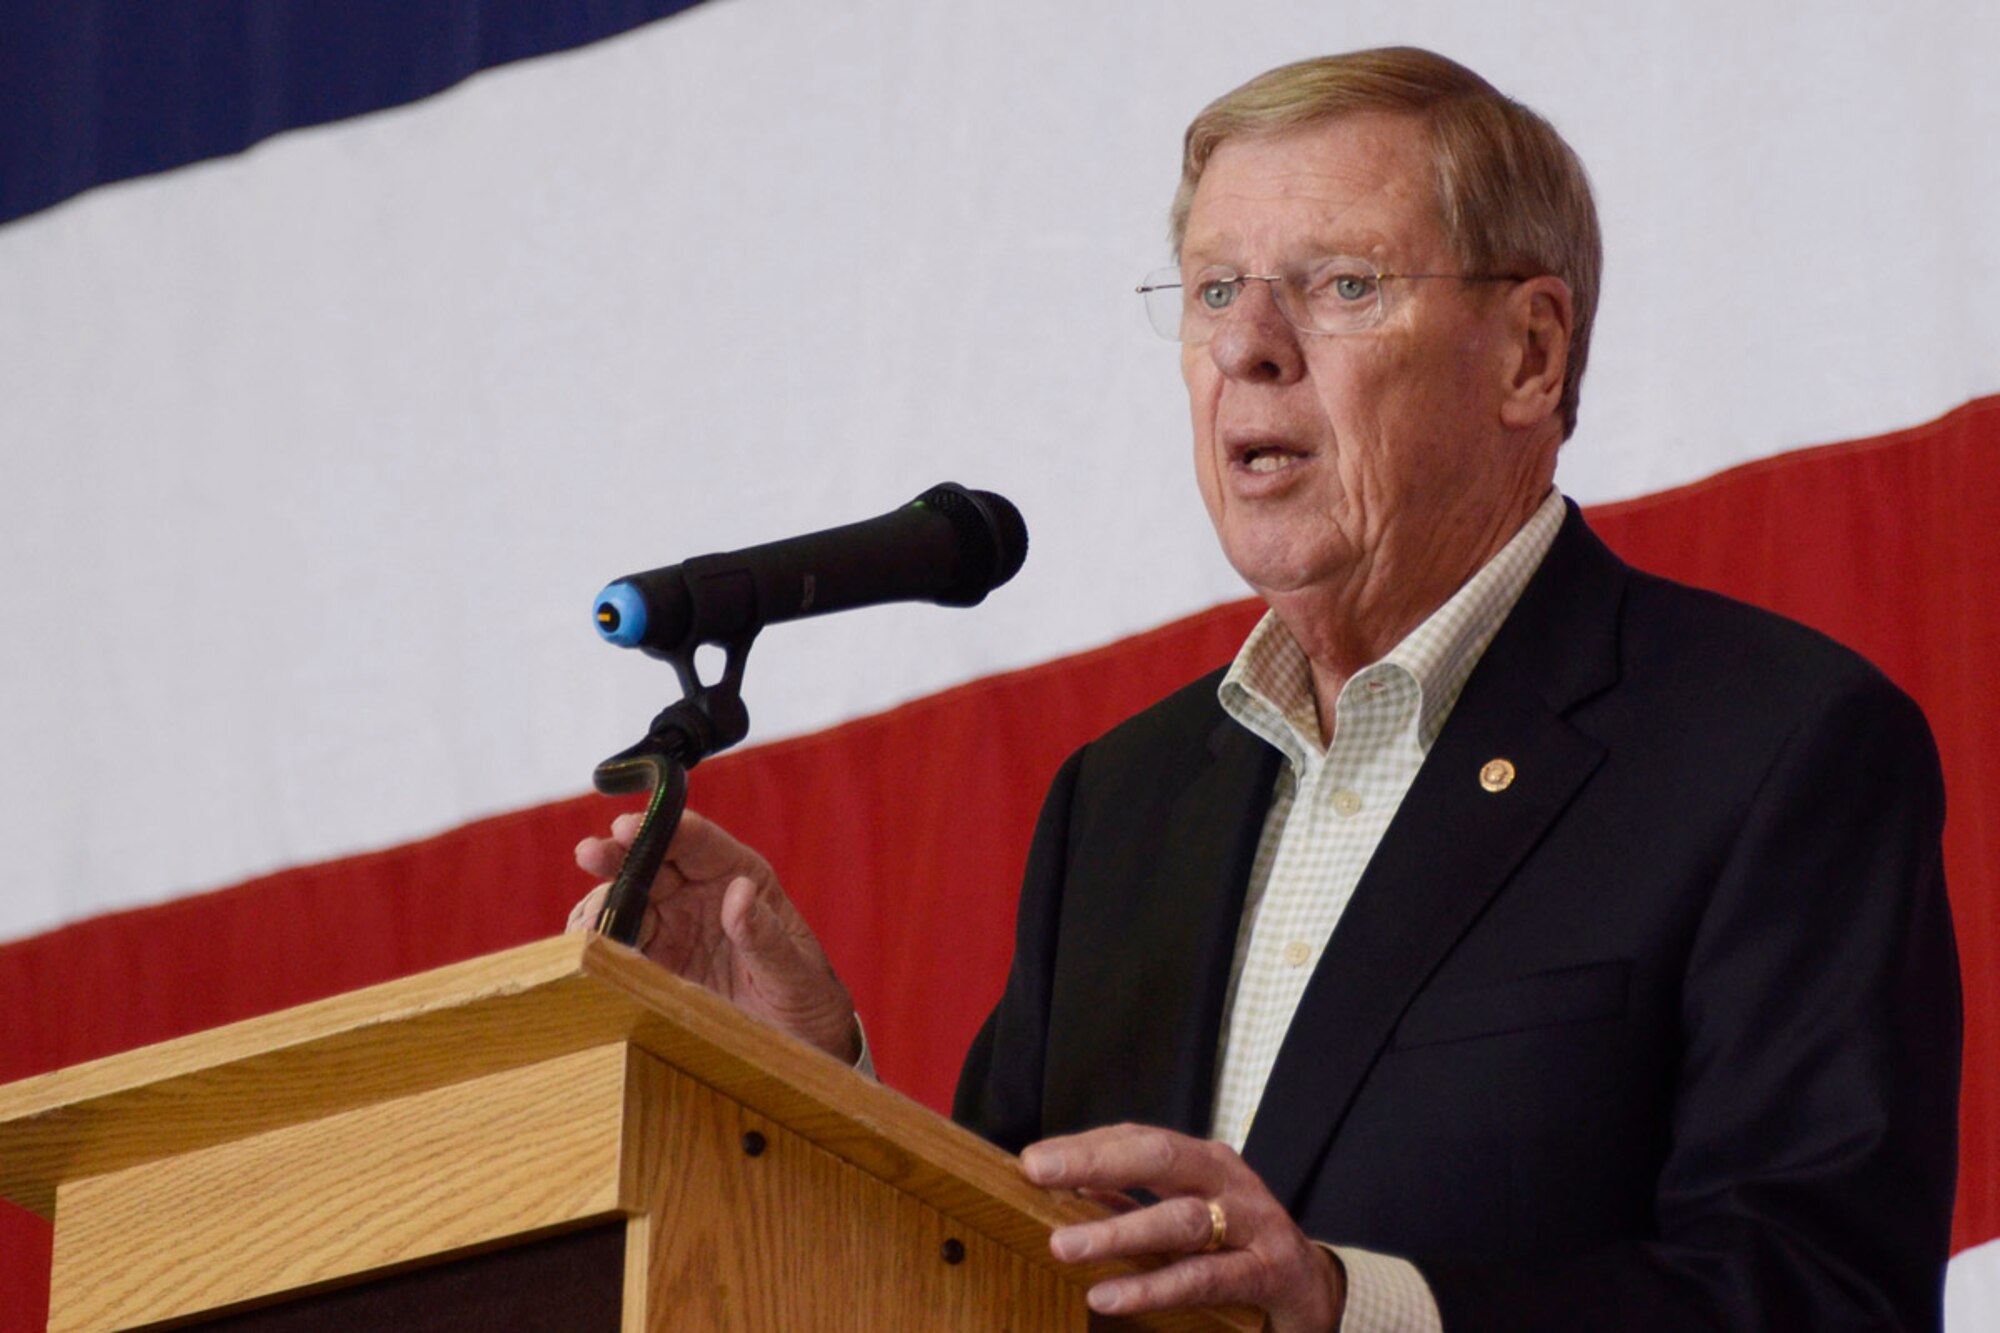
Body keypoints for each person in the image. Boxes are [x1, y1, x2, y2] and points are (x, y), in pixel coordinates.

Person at [570, 48, 1960, 1332]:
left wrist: (1352, 1309)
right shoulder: (1123, 802)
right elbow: (999, 1274)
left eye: (1342, 284)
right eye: (1216, 287)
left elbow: (1822, 1295)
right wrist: (820, 1088)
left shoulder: (1768, 746)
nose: (1249, 345)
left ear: (1530, 353)